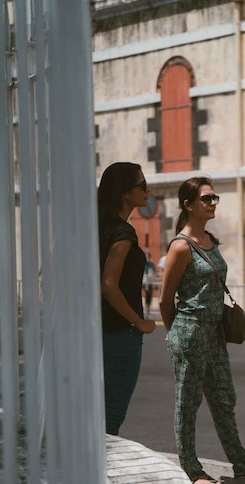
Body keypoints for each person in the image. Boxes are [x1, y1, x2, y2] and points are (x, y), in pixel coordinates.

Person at [160, 177, 245, 484]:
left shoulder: (209, 239)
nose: (212, 203)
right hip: (190, 331)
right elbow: (164, 299)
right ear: (188, 205)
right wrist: (176, 335)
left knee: (224, 397)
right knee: (188, 402)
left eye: (215, 198)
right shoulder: (181, 246)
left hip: (214, 333)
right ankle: (190, 468)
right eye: (206, 198)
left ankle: (241, 463)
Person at [98, 162, 157, 436]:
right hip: (120, 333)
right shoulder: (123, 233)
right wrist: (138, 321)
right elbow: (109, 285)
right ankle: (99, 476)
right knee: (111, 415)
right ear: (125, 192)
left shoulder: (100, 226)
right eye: (141, 186)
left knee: (98, 411)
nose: (147, 191)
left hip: (98, 330)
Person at [142, 252, 157, 317]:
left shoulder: (151, 263)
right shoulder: (142, 263)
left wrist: (155, 279)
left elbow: (154, 271)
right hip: (143, 281)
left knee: (149, 295)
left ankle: (147, 308)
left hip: (150, 282)